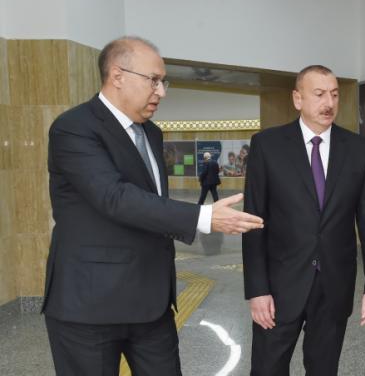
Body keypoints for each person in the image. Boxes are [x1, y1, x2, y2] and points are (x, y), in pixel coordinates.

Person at [44, 36, 264, 375]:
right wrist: (202, 216)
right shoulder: (74, 128)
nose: (161, 92)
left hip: (152, 306)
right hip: (90, 307)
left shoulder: (152, 133)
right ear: (117, 75)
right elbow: (114, 197)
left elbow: (151, 204)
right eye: (154, 80)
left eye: (164, 82)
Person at [243, 65, 365, 375]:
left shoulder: (360, 151)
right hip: (279, 287)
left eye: (334, 94)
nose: (329, 103)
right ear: (298, 98)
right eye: (319, 94)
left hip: (334, 286)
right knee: (267, 369)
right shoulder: (267, 146)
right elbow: (253, 221)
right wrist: (256, 289)